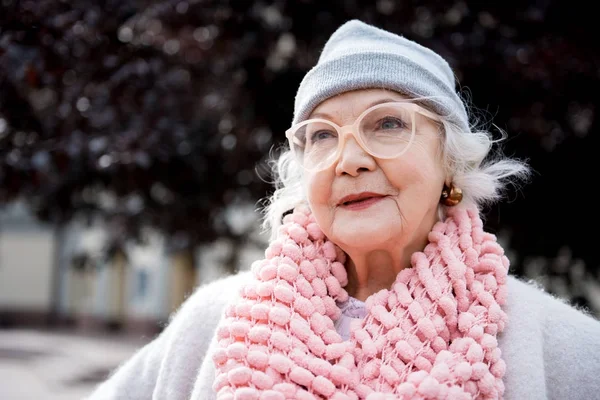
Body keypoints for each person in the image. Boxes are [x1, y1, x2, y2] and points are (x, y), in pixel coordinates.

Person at [87, 20, 600, 400]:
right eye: (323, 136)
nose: (348, 161)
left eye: (388, 124)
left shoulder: (563, 349)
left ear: (450, 162)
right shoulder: (214, 324)